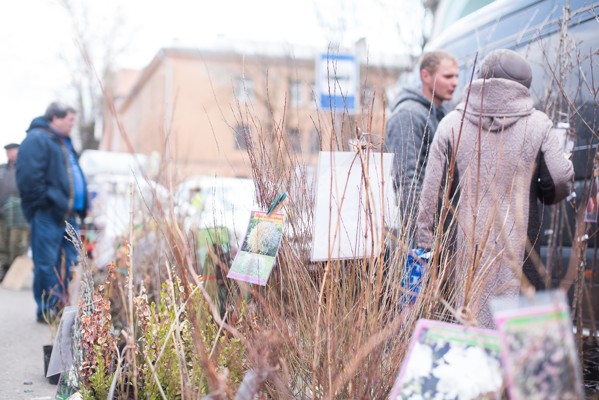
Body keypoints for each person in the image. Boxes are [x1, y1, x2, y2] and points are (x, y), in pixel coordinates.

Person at [416, 49, 574, 328]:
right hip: (521, 253)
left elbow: (430, 195)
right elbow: (560, 178)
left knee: (462, 332)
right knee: (515, 335)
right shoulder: (538, 124)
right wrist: (547, 190)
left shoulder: (451, 124)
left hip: (460, 256)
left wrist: (425, 246)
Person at [16, 102, 88, 322]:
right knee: (47, 263)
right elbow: (28, 179)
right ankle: (49, 311)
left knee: (70, 262)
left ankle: (62, 307)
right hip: (48, 213)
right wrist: (46, 203)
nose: (72, 124)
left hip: (68, 214)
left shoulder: (63, 142)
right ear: (56, 118)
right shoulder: (37, 138)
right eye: (70, 120)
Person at [385, 50, 459, 219]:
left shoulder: (441, 113)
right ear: (425, 76)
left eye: (456, 76)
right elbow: (407, 182)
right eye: (448, 76)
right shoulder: (408, 116)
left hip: (441, 222)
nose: (455, 82)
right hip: (423, 225)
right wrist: (419, 228)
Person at [0, 143, 29, 277]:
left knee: (16, 243)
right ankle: (3, 270)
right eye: (8, 151)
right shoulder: (2, 169)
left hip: (19, 214)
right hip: (2, 213)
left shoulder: (25, 168)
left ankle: (14, 272)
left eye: (12, 151)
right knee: (2, 243)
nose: (10, 154)